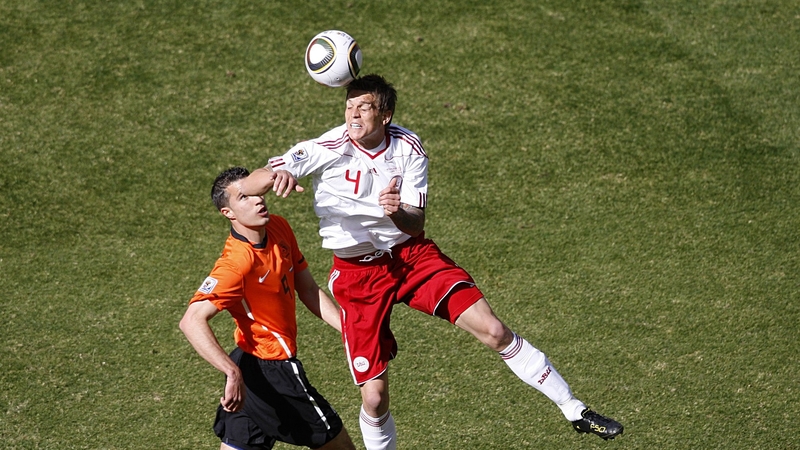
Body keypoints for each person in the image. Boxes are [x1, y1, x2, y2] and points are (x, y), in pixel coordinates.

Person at [241, 75, 624, 449]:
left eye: (364, 107)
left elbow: (416, 219)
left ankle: (575, 410)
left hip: (412, 258)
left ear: (385, 115)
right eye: (349, 105)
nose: (353, 115)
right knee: (374, 399)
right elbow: (254, 181)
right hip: (358, 276)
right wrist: (282, 174)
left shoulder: (408, 148)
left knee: (493, 330)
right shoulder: (327, 146)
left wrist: (395, 214)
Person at [179, 167, 356, 450]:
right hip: (272, 369)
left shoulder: (279, 227)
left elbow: (308, 289)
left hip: (250, 369)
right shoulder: (237, 263)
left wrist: (349, 332)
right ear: (229, 214)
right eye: (244, 198)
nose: (258, 200)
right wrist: (231, 373)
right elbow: (191, 321)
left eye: (256, 193)